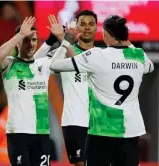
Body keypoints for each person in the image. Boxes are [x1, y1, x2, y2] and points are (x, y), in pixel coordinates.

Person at [49, 15, 154, 166]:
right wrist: (127, 41)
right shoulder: (138, 55)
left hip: (101, 131)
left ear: (105, 34)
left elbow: (54, 65)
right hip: (129, 130)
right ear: (124, 35)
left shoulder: (97, 55)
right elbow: (149, 68)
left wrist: (65, 41)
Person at [0, 15, 64, 166]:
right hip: (18, 134)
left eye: (34, 40)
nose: (31, 44)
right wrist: (20, 35)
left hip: (42, 133)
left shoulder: (42, 65)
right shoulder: (10, 66)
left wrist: (62, 37)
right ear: (18, 43)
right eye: (26, 40)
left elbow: (62, 53)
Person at [35, 10, 98, 166]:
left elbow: (82, 63)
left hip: (99, 122)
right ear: (76, 27)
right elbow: (35, 65)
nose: (87, 28)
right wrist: (54, 40)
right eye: (82, 24)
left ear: (97, 27)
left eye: (91, 24)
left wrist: (63, 39)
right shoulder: (62, 51)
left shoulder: (102, 55)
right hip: (74, 121)